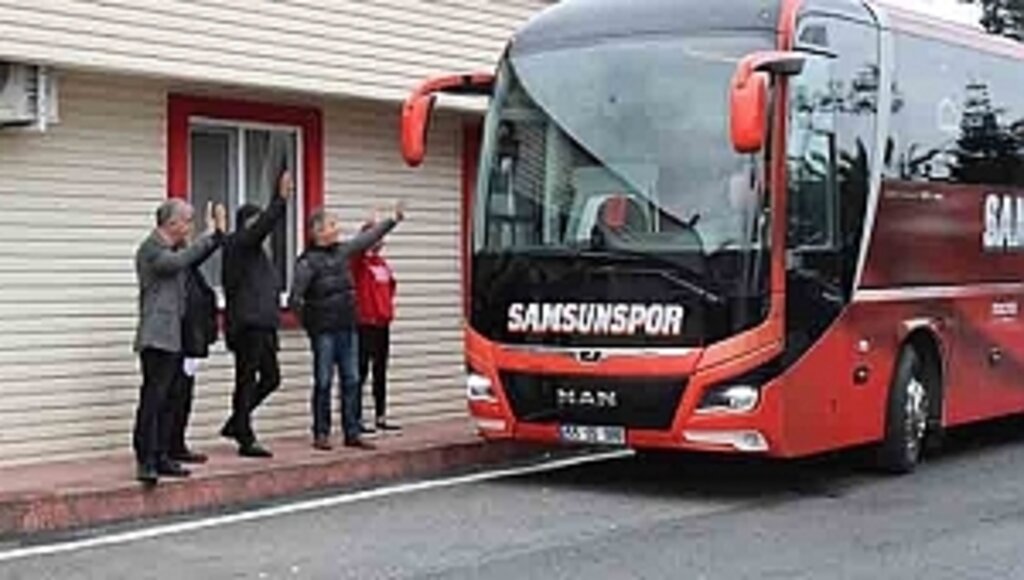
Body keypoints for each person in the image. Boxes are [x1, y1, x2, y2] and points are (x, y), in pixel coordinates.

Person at [289, 203, 405, 451]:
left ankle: (352, 432)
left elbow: (367, 239)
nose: (336, 229)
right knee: (323, 381)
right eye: (331, 225)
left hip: (348, 327)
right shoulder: (307, 262)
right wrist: (311, 325)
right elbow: (295, 299)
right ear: (317, 232)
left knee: (351, 380)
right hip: (324, 331)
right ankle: (321, 432)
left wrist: (391, 220)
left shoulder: (342, 252)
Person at [133, 199, 225, 485]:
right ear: (171, 223)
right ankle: (146, 459)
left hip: (174, 337)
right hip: (156, 336)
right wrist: (212, 235)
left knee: (169, 399)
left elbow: (190, 258)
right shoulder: (152, 249)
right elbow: (177, 262)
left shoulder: (176, 250)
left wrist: (215, 238)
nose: (189, 227)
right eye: (187, 221)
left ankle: (162, 455)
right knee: (153, 398)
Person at [220, 170, 294, 458]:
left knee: (271, 378)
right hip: (247, 324)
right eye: (256, 223)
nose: (262, 230)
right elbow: (261, 228)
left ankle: (237, 422)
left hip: (263, 323)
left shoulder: (257, 254)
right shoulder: (238, 245)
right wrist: (280, 200)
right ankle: (245, 436)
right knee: (246, 378)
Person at [166, 240, 220, 465]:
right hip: (178, 341)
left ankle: (177, 444)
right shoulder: (175, 268)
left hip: (191, 343)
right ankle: (167, 447)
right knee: (173, 397)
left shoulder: (192, 273)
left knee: (184, 397)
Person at [352, 222, 401, 433]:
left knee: (380, 371)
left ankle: (380, 416)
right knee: (360, 372)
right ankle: (356, 417)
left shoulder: (382, 263)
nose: (380, 241)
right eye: (376, 237)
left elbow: (390, 288)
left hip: (382, 323)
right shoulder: (358, 263)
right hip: (364, 324)